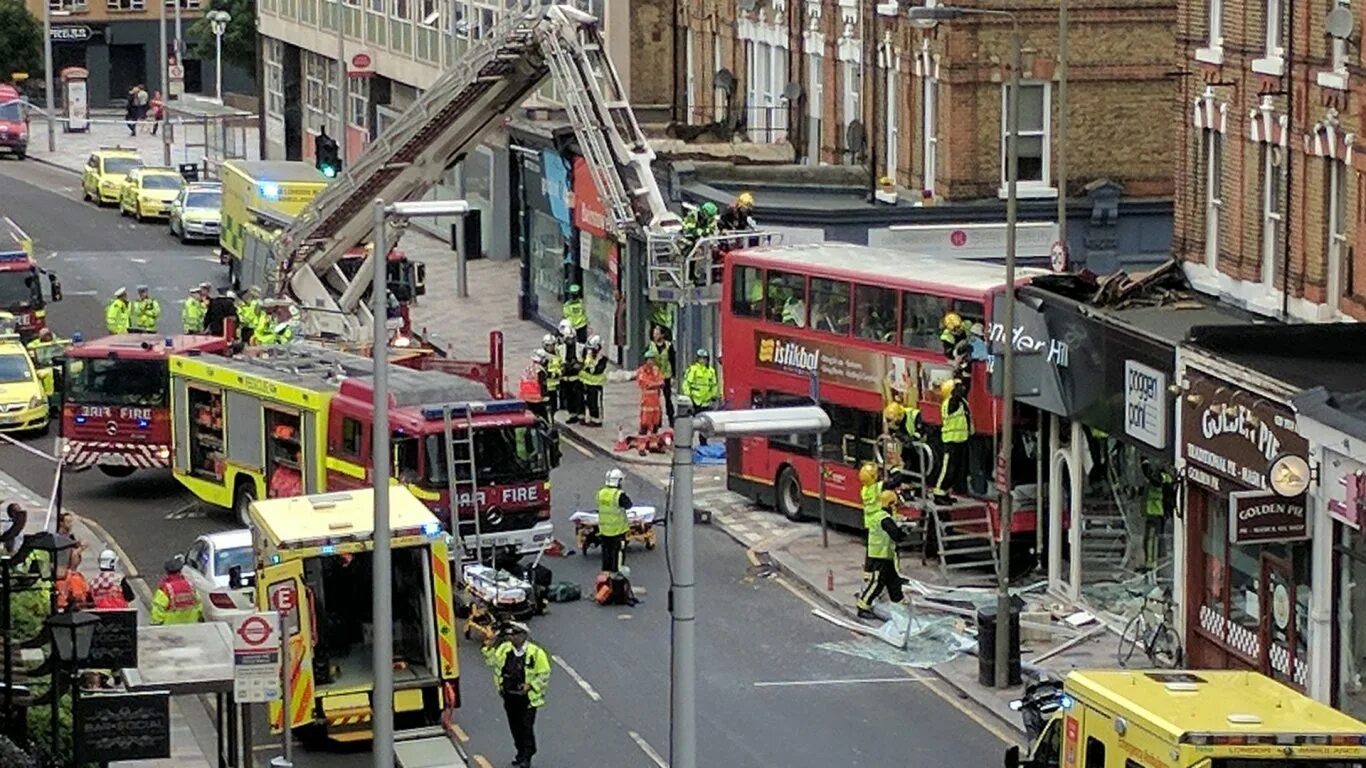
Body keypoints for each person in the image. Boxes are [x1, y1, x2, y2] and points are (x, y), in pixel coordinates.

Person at [481, 621, 551, 768]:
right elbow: (490, 661)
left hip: (527, 699)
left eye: (514, 634)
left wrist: (530, 685)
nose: (511, 638)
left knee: (526, 727)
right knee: (515, 727)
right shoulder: (504, 649)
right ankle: (520, 753)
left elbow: (544, 674)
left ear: (523, 635)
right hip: (509, 695)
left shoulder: (536, 653)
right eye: (509, 635)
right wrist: (489, 644)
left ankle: (527, 755)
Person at [855, 489, 912, 620]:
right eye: (895, 504)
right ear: (890, 504)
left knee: (893, 582)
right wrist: (905, 531)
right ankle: (862, 606)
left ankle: (898, 602)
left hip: (886, 556)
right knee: (877, 583)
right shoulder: (884, 519)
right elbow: (896, 535)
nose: (896, 507)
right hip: (880, 557)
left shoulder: (881, 515)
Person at [933, 378, 970, 505]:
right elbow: (957, 395)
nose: (961, 389)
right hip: (951, 442)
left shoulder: (961, 402)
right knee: (948, 469)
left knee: (957, 470)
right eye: (957, 388)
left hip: (961, 440)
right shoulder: (950, 403)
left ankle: (945, 493)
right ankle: (938, 494)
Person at [1141, 459, 1176, 571]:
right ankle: (1151, 561)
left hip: (1157, 512)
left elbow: (1154, 480)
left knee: (1153, 538)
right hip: (1153, 511)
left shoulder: (1163, 478)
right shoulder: (1163, 478)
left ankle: (1152, 562)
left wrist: (1145, 463)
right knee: (1149, 538)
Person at [596, 468, 633, 574]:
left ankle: (605, 576)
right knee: (617, 558)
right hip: (617, 532)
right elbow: (629, 505)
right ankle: (616, 578)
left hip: (604, 531)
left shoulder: (601, 493)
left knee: (606, 556)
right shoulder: (618, 495)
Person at [150, 555, 203, 625]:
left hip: (171, 629)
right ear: (180, 571)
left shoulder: (165, 590)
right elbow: (199, 604)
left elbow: (158, 610)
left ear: (167, 572)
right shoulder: (190, 586)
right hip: (191, 626)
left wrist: (156, 624)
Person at [681, 348, 719, 444]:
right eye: (700, 358)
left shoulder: (711, 371)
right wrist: (688, 397)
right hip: (694, 401)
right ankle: (687, 444)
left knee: (704, 426)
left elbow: (714, 385)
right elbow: (686, 383)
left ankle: (703, 444)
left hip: (706, 402)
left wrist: (714, 396)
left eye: (704, 359)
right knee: (691, 424)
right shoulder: (693, 369)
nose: (702, 361)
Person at [635, 348, 665, 453]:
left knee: (655, 425)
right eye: (649, 359)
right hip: (647, 403)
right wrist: (655, 384)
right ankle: (641, 447)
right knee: (644, 425)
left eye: (652, 359)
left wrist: (655, 385)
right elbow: (645, 384)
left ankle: (653, 445)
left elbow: (662, 382)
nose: (651, 362)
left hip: (656, 403)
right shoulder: (641, 371)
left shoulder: (656, 370)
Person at [647, 325, 675, 426]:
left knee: (668, 398)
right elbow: (647, 360)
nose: (654, 335)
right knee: (655, 400)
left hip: (666, 376)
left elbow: (672, 360)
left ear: (662, 335)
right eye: (654, 333)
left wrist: (673, 376)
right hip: (655, 377)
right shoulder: (651, 346)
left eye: (657, 333)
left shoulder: (668, 345)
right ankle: (657, 421)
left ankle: (671, 419)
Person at [578, 334, 608, 427]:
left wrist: (587, 368)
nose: (590, 350)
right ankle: (587, 418)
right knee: (586, 401)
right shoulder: (587, 352)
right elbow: (582, 362)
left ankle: (597, 420)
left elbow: (597, 370)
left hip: (596, 383)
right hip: (585, 381)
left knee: (595, 402)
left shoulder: (602, 357)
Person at [557, 320, 583, 423]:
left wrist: (578, 365)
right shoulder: (560, 349)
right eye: (568, 339)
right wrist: (562, 367)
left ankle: (580, 415)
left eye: (572, 338)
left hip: (577, 378)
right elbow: (557, 361)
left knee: (579, 398)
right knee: (568, 398)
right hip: (565, 378)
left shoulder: (580, 348)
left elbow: (584, 361)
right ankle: (572, 415)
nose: (570, 340)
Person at [519, 351, 550, 422]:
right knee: (544, 419)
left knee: (530, 419)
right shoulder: (540, 371)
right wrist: (547, 401)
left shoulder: (528, 368)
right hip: (537, 399)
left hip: (525, 398)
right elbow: (543, 385)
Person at [540, 334, 562, 417]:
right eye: (548, 345)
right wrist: (552, 374)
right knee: (549, 406)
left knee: (557, 405)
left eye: (552, 345)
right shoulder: (543, 356)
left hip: (558, 383)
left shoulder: (558, 353)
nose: (550, 347)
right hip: (547, 385)